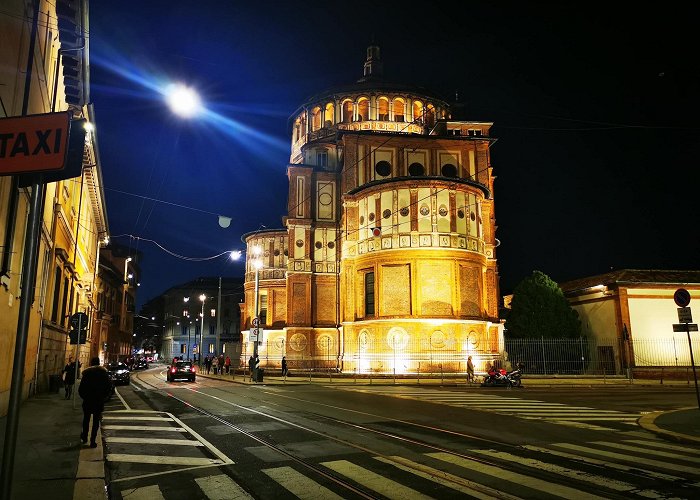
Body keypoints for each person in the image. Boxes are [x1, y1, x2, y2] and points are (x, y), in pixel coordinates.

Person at [78, 357, 112, 448]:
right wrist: (104, 398)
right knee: (96, 421)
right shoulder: (104, 373)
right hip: (98, 401)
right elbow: (109, 387)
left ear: (91, 363)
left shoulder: (87, 374)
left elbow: (81, 389)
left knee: (86, 419)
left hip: (88, 401)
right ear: (99, 363)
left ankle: (84, 437)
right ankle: (93, 441)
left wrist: (85, 397)